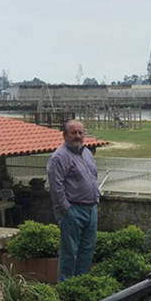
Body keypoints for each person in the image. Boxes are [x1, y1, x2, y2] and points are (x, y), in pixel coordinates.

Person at [47, 119, 99, 281]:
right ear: (64, 135)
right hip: (73, 210)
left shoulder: (87, 153)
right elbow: (56, 187)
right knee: (70, 252)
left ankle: (80, 284)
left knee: (87, 250)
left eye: (80, 132)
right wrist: (67, 210)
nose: (77, 136)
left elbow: (93, 178)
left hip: (91, 209)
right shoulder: (59, 157)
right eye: (73, 132)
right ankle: (66, 288)